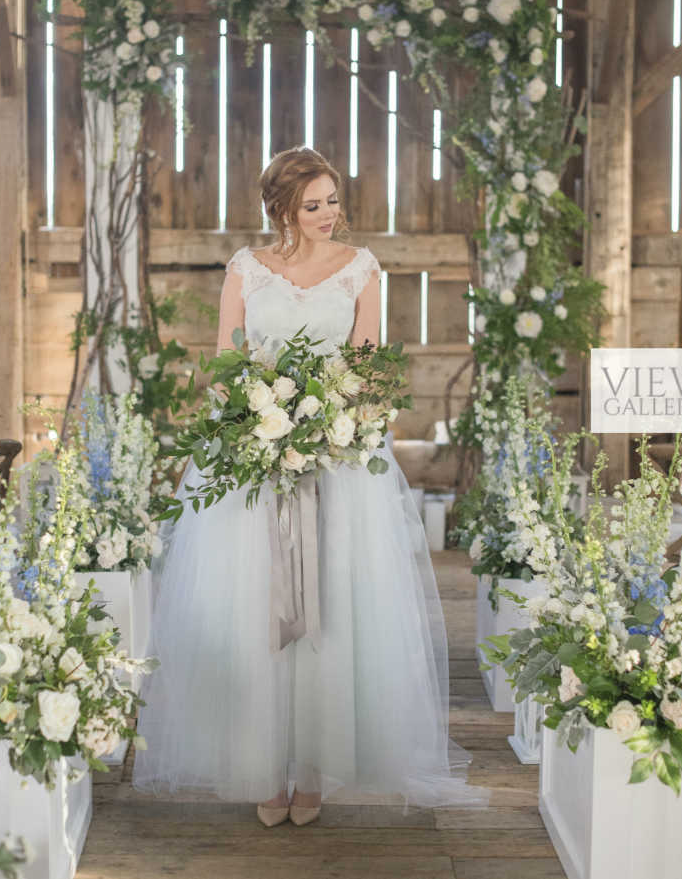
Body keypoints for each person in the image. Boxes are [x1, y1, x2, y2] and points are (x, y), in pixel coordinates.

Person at [133, 145, 486, 826]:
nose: (329, 214)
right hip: (253, 459)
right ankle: (263, 765)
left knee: (335, 606)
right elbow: (228, 359)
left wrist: (327, 422)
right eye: (314, 203)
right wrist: (258, 422)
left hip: (339, 458)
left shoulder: (362, 270)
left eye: (332, 201)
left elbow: (365, 364)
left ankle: (317, 767)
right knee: (254, 606)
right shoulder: (245, 268)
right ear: (283, 207)